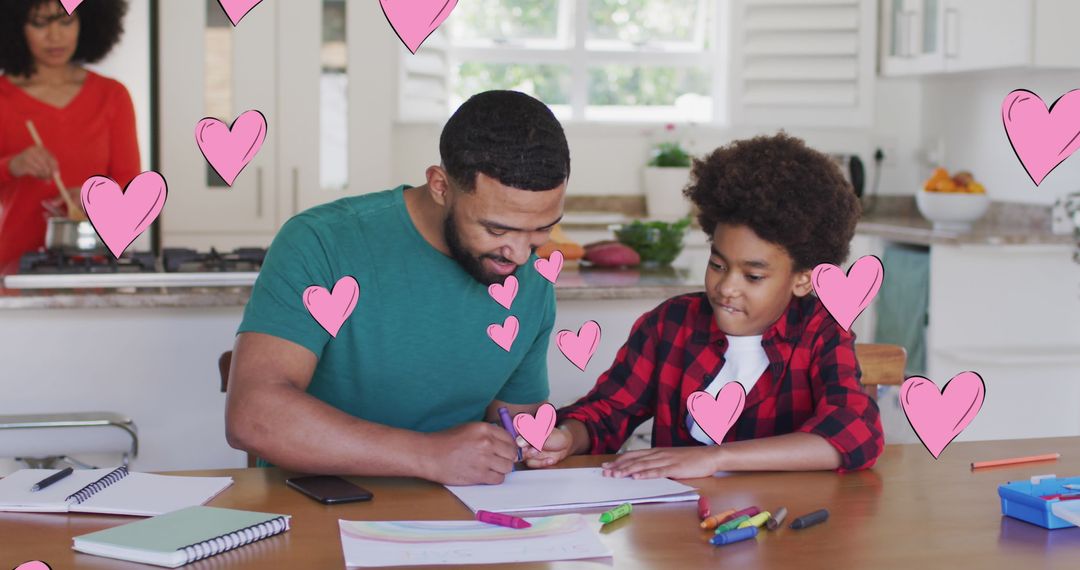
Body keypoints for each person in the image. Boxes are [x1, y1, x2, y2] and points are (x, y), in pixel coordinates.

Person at [226, 91, 570, 485]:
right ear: (441, 186)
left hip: (464, 518)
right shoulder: (321, 241)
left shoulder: (529, 276)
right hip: (315, 508)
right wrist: (428, 456)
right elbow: (252, 416)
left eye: (542, 228)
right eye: (496, 229)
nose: (522, 255)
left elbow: (516, 422)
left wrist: (539, 443)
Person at [524, 133, 884, 478]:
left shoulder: (822, 331)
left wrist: (715, 458)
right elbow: (606, 412)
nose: (727, 287)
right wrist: (566, 438)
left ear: (803, 278)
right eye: (718, 265)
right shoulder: (670, 325)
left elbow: (855, 433)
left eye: (753, 276)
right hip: (682, 528)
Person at [0, 0, 140, 275]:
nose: (55, 36)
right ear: (15, 27)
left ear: (85, 23)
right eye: (39, 23)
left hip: (95, 268)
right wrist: (12, 165)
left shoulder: (112, 95)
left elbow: (131, 186)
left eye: (66, 21)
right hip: (15, 270)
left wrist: (99, 198)